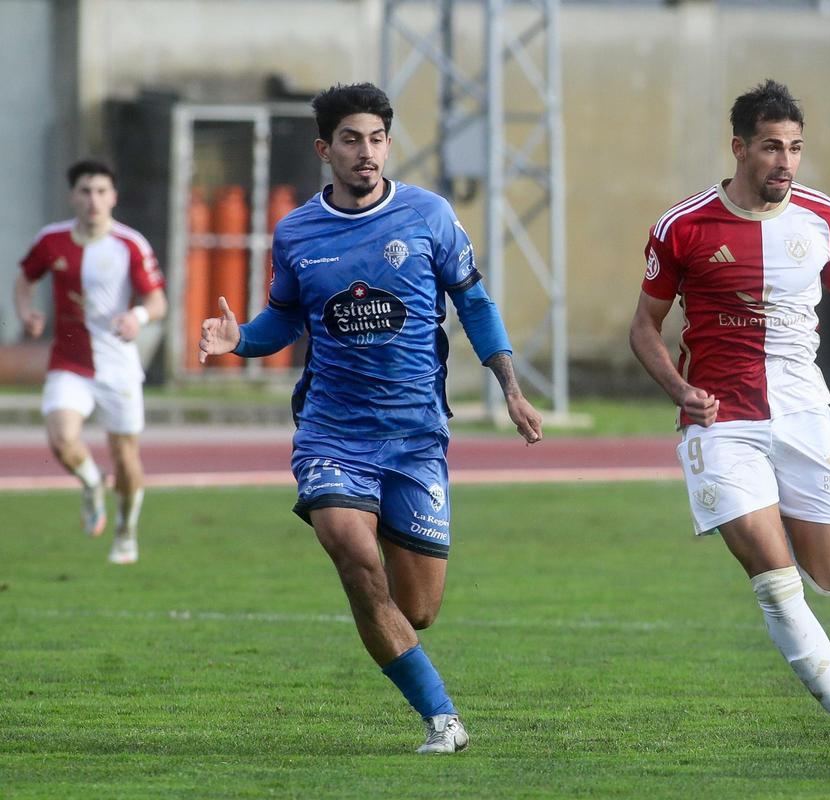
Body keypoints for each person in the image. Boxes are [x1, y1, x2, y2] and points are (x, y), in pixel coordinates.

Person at [197, 82, 542, 754]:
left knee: (416, 609)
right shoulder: (297, 232)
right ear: (326, 149)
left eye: (377, 138)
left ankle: (384, 532)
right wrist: (238, 340)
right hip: (333, 432)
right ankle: (443, 720)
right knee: (353, 555)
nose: (367, 152)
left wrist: (510, 386)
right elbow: (285, 319)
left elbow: (473, 302)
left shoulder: (430, 217)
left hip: (415, 436)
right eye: (352, 140)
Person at [629, 79, 830, 765]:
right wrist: (679, 388)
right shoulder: (682, 227)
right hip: (720, 423)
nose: (786, 161)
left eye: (796, 149)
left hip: (805, 412)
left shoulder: (826, 220)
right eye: (773, 147)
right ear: (739, 147)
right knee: (775, 581)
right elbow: (644, 329)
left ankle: (775, 521)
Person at [13, 159, 167, 565]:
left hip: (117, 363)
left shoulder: (130, 244)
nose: (93, 200)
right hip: (69, 359)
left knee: (125, 455)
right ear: (73, 196)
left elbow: (157, 300)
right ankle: (92, 482)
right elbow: (25, 278)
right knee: (62, 440)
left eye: (101, 191)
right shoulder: (51, 240)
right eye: (85, 191)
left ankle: (125, 531)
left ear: (113, 197)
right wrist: (25, 311)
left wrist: (137, 317)